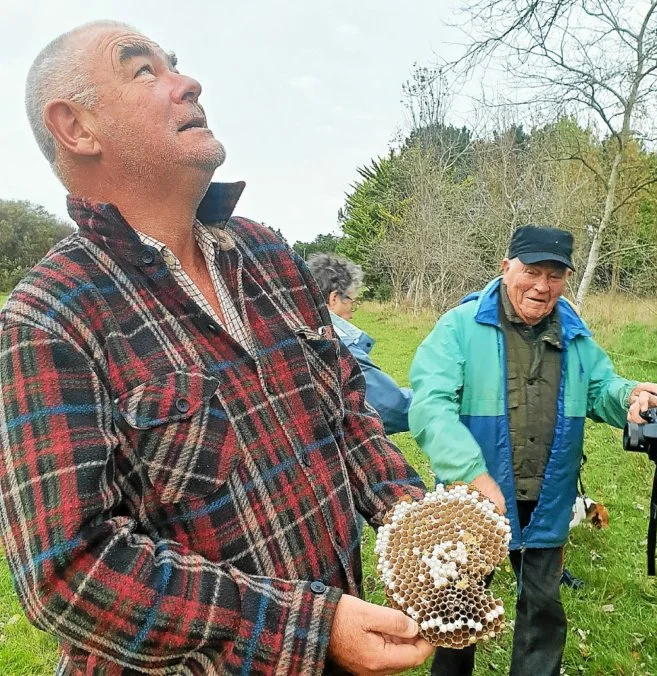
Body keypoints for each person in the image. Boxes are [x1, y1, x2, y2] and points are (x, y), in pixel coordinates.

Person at [0, 21, 434, 675]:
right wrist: (307, 629)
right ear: (76, 128)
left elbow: (346, 408)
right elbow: (69, 573)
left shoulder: (267, 253)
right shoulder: (49, 318)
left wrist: (412, 519)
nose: (188, 81)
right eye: (143, 69)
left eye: (174, 62)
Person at [408, 225, 657, 676]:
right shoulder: (459, 327)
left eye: (555, 275)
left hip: (547, 498)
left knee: (544, 609)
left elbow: (599, 387)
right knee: (459, 610)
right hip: (474, 502)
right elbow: (430, 408)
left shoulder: (574, 333)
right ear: (505, 266)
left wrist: (628, 396)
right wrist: (472, 474)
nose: (542, 286)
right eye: (531, 271)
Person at [307, 253, 412, 435]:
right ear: (334, 299)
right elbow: (390, 408)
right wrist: (439, 397)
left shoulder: (295, 331)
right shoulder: (339, 346)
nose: (352, 313)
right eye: (351, 302)